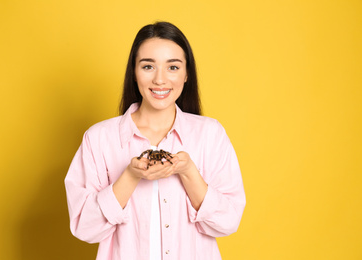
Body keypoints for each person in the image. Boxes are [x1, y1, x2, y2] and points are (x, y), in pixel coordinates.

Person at [65, 21, 246, 260]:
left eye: (173, 67)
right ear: (134, 71)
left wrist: (189, 171)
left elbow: (228, 222)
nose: (160, 80)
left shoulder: (210, 135)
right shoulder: (98, 139)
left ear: (187, 73)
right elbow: (84, 227)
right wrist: (130, 177)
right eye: (148, 66)